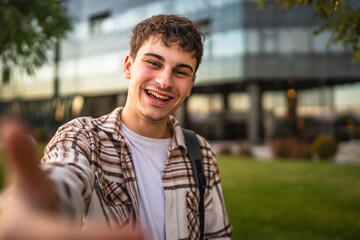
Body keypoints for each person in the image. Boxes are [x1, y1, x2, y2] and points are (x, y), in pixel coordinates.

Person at [0, 14, 233, 239]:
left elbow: (217, 235)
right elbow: (65, 175)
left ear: (190, 85)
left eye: (180, 71)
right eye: (153, 63)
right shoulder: (83, 138)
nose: (164, 81)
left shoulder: (200, 152)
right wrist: (38, 204)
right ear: (128, 67)